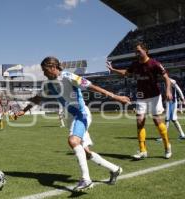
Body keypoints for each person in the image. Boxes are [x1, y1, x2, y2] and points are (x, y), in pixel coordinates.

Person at [15, 56, 130, 192]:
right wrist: (24, 110)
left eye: (45, 70)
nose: (44, 73)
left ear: (53, 67)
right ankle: (115, 169)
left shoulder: (68, 76)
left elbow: (92, 86)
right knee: (86, 152)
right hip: (71, 118)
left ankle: (86, 180)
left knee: (73, 141)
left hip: (81, 114)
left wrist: (115, 97)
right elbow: (38, 98)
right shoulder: (48, 84)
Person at [107, 42, 173, 160]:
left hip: (154, 96)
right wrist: (113, 69)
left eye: (138, 51)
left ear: (145, 50)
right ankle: (143, 150)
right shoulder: (135, 64)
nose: (136, 53)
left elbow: (166, 78)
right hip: (141, 97)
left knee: (157, 122)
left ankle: (167, 146)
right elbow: (126, 73)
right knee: (139, 122)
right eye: (135, 51)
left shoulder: (154, 64)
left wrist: (168, 91)